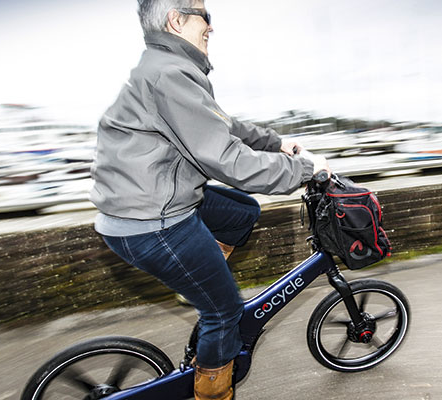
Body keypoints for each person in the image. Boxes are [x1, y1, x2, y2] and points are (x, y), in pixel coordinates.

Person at [89, 0, 330, 399]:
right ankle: (213, 393)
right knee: (225, 311)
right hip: (153, 222)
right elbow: (227, 159)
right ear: (176, 20)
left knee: (242, 212)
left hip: (151, 204)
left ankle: (198, 281)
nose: (211, 27)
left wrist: (277, 143)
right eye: (205, 16)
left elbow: (222, 126)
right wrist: (306, 171)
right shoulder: (169, 74)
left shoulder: (168, 68)